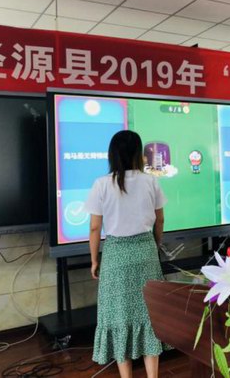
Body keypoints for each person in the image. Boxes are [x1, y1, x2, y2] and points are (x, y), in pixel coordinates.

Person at [85, 130, 166, 378]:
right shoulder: (151, 181)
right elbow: (160, 220)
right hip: (146, 253)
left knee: (119, 317)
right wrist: (154, 245)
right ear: (138, 154)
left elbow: (95, 228)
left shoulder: (101, 184)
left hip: (115, 256)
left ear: (112, 155)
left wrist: (94, 260)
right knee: (149, 316)